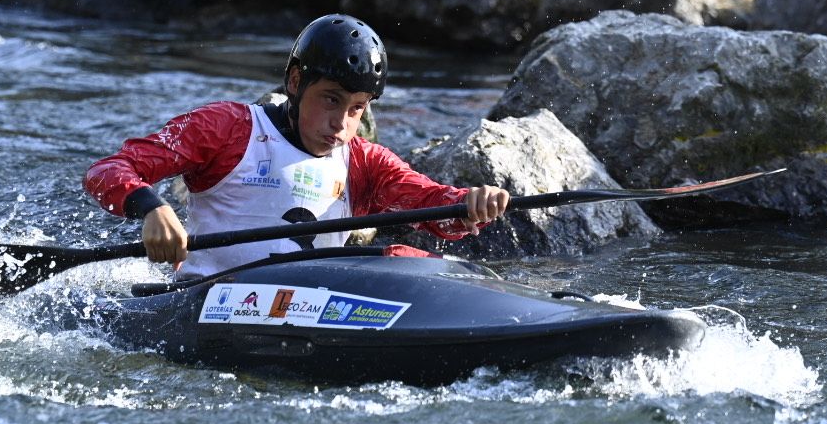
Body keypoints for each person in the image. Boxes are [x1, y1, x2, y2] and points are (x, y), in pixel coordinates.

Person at [84, 15, 510, 277]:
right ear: (294, 82)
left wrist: (470, 203)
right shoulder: (227, 128)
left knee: (408, 258)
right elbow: (108, 170)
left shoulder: (365, 161)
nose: (341, 124)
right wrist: (151, 207)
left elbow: (437, 208)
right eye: (331, 100)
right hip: (207, 301)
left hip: (309, 307)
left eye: (357, 108)